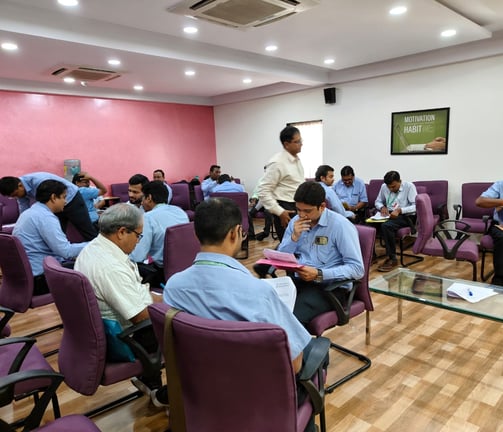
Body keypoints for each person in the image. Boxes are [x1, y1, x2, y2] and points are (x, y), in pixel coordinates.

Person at [163, 197, 319, 432]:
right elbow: (294, 365)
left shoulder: (174, 287)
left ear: (197, 235)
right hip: (258, 397)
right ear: (236, 233)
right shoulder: (260, 293)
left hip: (202, 389)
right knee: (317, 354)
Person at [74, 203, 168, 407]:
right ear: (122, 232)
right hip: (128, 337)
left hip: (112, 325)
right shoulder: (109, 267)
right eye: (138, 235)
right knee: (189, 329)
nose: (138, 241)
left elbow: (134, 291)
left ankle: (149, 378)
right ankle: (168, 396)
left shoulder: (93, 248)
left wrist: (161, 298)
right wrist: (174, 310)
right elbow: (140, 316)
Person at [277, 181, 364, 327]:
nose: (302, 215)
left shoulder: (340, 226)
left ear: (322, 206)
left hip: (328, 288)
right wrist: (294, 238)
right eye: (298, 209)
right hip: (299, 282)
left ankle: (307, 349)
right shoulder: (295, 223)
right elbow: (281, 258)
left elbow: (357, 269)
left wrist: (319, 274)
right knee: (267, 308)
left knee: (289, 320)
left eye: (307, 211)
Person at [12, 180, 88, 295]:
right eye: (63, 197)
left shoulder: (30, 213)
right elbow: (65, 251)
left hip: (26, 278)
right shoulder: (46, 218)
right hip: (40, 280)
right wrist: (96, 243)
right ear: (53, 197)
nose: (66, 201)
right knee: (93, 269)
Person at [0, 172, 98, 240]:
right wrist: (21, 225)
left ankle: (100, 253)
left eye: (15, 194)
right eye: (12, 197)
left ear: (20, 185)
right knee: (57, 233)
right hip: (55, 206)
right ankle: (61, 260)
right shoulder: (20, 191)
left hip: (72, 199)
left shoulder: (40, 182)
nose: (16, 197)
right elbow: (24, 210)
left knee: (87, 230)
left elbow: (50, 203)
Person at [129, 181, 189, 287]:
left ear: (149, 198)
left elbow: (137, 257)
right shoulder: (180, 211)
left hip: (164, 273)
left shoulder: (148, 218)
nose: (142, 203)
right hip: (186, 267)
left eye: (143, 198)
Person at [258, 126, 304, 241]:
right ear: (286, 144)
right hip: (286, 208)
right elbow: (263, 191)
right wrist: (280, 212)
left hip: (298, 206)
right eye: (297, 141)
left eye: (301, 140)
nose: (301, 144)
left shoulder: (296, 160)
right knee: (289, 245)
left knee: (301, 244)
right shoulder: (277, 162)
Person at [374, 170, 417, 272]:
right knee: (369, 224)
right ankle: (372, 256)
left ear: (400, 181)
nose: (391, 189)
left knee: (386, 226)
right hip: (389, 214)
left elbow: (416, 206)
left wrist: (400, 210)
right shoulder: (384, 187)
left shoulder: (409, 186)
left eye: (393, 187)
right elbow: (378, 201)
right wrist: (381, 207)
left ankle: (392, 258)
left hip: (406, 216)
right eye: (389, 187)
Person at [475, 182, 503, 286]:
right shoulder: (500, 185)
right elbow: (479, 201)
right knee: (501, 237)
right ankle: (500, 279)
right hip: (500, 224)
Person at [248, 170, 273, 241]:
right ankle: (251, 234)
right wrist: (254, 198)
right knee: (248, 214)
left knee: (267, 211)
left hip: (272, 204)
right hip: (261, 202)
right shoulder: (261, 180)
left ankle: (266, 232)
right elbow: (256, 192)